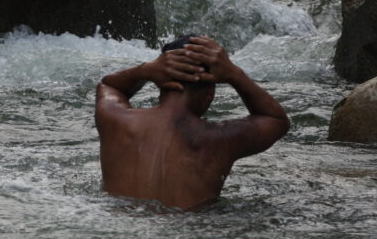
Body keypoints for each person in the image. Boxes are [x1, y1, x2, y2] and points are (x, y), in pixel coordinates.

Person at [95, 35, 290, 210]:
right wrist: (235, 75)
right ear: (210, 96)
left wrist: (145, 70)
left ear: (160, 83)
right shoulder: (220, 140)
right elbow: (276, 119)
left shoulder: (116, 120)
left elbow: (108, 85)